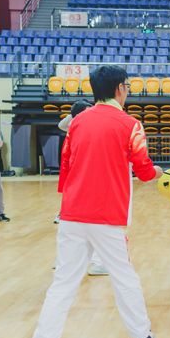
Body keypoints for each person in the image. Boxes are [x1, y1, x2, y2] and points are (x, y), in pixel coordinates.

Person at [30, 65, 163, 338]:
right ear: (119, 89)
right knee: (124, 277)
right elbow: (144, 170)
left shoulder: (77, 122)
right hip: (107, 216)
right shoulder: (131, 124)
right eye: (127, 86)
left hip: (72, 213)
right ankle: (141, 336)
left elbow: (66, 163)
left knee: (63, 284)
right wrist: (155, 172)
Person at [55, 99, 108, 276]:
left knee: (84, 224)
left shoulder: (82, 128)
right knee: (93, 223)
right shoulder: (78, 128)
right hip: (82, 181)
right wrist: (76, 112)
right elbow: (62, 124)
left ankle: (74, 262)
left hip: (83, 181)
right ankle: (91, 262)